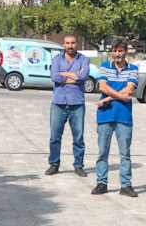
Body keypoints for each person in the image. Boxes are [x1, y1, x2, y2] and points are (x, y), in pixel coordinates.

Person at [93, 40, 139, 198]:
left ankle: (126, 185)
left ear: (126, 51)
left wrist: (107, 99)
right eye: (115, 50)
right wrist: (120, 96)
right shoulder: (105, 66)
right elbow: (102, 87)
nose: (117, 54)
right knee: (102, 152)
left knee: (125, 153)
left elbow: (130, 88)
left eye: (120, 50)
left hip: (124, 116)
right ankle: (102, 183)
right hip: (105, 115)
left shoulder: (133, 69)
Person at [46, 33, 90, 176]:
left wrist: (64, 75)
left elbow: (84, 76)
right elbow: (54, 76)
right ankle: (54, 164)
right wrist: (75, 76)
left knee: (78, 137)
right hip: (58, 103)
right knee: (55, 137)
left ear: (77, 43)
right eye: (67, 43)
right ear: (63, 44)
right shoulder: (57, 59)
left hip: (77, 103)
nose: (70, 46)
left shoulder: (83, 59)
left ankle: (78, 165)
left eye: (72, 43)